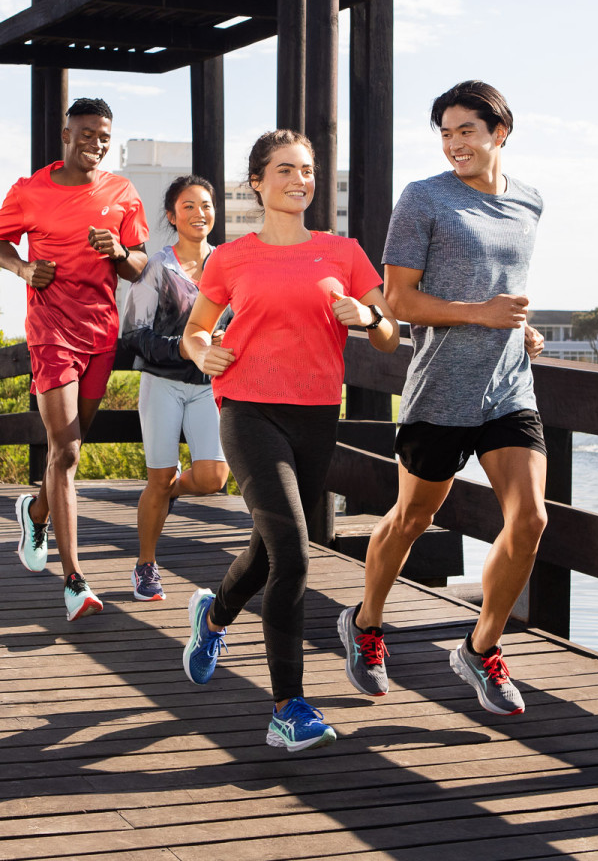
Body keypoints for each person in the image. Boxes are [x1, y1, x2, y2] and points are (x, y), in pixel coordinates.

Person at [178, 129, 400, 752]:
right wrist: (206, 355)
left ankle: (214, 614)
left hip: (315, 416)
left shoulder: (344, 253)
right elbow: (194, 332)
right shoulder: (231, 258)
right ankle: (288, 708)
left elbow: (388, 334)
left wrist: (371, 317)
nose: (300, 180)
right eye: (285, 170)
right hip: (248, 410)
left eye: (307, 171)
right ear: (257, 182)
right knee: (295, 553)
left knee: (269, 549)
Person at [338, 80, 548, 716]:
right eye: (447, 132)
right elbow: (396, 301)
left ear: (499, 134)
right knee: (412, 519)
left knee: (531, 518)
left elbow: (503, 285)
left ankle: (481, 648)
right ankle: (366, 623)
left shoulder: (531, 203)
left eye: (467, 131)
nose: (456, 143)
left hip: (508, 387)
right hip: (439, 391)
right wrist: (480, 315)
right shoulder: (424, 198)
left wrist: (517, 326)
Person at [0, 97, 149, 622]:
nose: (95, 143)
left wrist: (119, 254)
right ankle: (74, 581)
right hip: (49, 331)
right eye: (86, 133)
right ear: (65, 134)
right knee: (69, 450)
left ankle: (35, 512)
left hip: (101, 333)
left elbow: (139, 267)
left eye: (104, 135)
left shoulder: (122, 192)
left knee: (67, 453)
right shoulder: (29, 190)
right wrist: (23, 269)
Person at [119, 175, 231, 602]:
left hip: (209, 384)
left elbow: (243, 320)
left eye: (205, 205)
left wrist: (226, 341)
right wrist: (185, 348)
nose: (198, 213)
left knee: (213, 477)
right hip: (163, 383)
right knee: (158, 477)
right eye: (188, 206)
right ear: (171, 215)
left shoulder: (227, 264)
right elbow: (134, 334)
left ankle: (172, 493)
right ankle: (146, 565)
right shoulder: (154, 268)